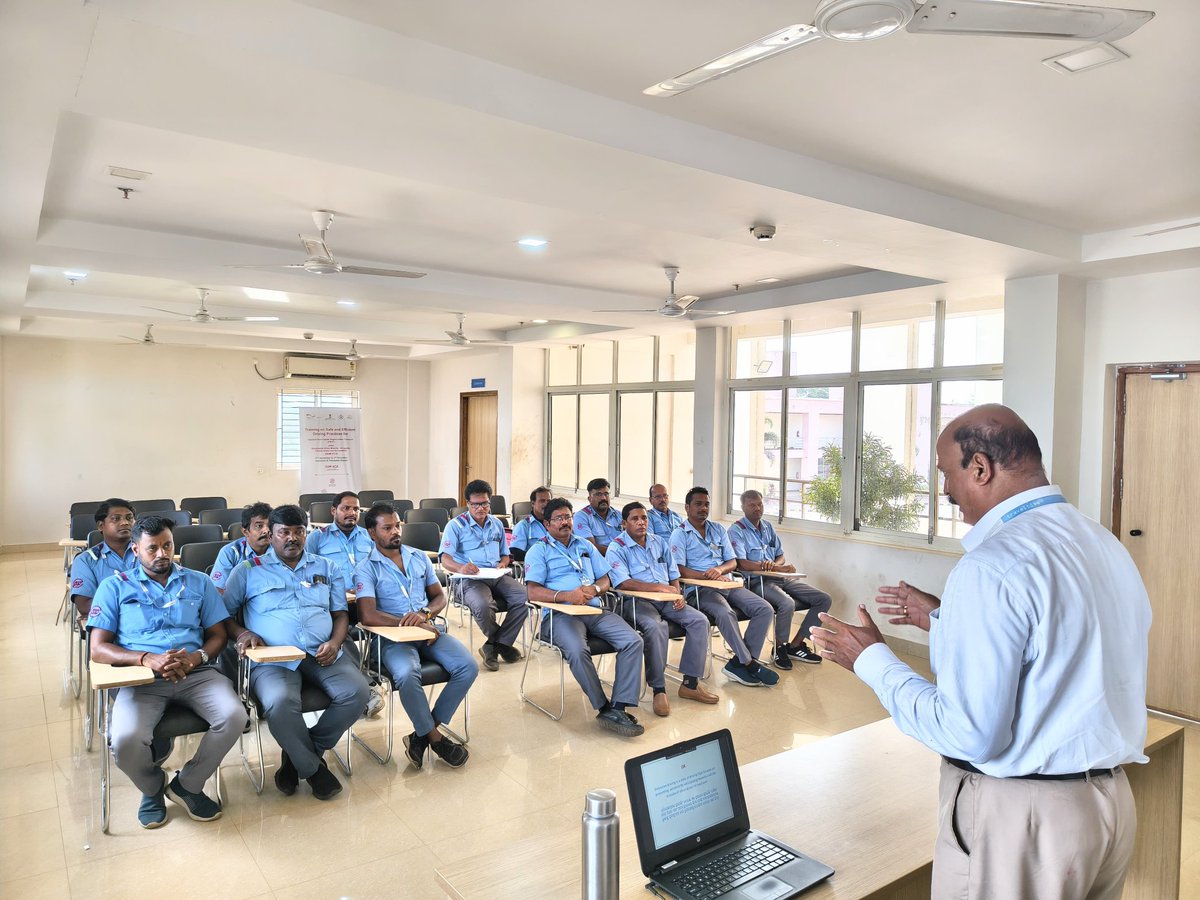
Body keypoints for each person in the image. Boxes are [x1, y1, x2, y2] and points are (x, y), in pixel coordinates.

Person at [810, 404, 1151, 900]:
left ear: (980, 468)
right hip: (1107, 807)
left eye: (946, 474)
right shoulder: (1100, 542)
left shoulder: (992, 564)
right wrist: (947, 619)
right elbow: (1062, 642)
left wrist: (873, 661)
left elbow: (970, 734)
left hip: (1027, 822)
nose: (945, 491)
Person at [87, 515, 247, 828]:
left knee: (235, 716)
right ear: (135, 550)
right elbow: (98, 648)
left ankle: (187, 784)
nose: (162, 554)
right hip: (142, 679)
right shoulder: (114, 586)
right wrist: (146, 658)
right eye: (152, 549)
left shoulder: (198, 582)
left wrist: (196, 657)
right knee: (123, 739)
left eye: (167, 545)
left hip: (196, 674)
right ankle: (152, 787)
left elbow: (218, 634)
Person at [222, 504, 371, 801]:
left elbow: (341, 613)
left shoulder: (326, 567)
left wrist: (337, 641)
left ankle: (297, 756)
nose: (292, 538)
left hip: (322, 652)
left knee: (358, 692)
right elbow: (223, 617)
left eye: (298, 531)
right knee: (279, 702)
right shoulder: (248, 571)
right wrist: (243, 633)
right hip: (273, 659)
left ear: (307, 532)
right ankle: (314, 770)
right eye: (284, 532)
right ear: (271, 534)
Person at [356, 503, 476, 769]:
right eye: (387, 528)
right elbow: (368, 615)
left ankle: (420, 733)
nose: (395, 531)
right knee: (408, 675)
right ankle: (434, 737)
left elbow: (439, 597)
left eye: (397, 525)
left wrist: (424, 615)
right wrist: (409, 623)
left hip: (428, 632)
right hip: (391, 638)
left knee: (468, 667)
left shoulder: (418, 556)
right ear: (372, 534)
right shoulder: (366, 567)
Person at [524, 498, 646, 737]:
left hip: (593, 610)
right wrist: (565, 595)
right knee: (578, 650)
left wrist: (597, 589)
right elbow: (532, 591)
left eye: (568, 517)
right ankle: (603, 707)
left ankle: (620, 706)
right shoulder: (538, 550)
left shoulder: (585, 545)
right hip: (561, 615)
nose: (565, 522)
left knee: (634, 641)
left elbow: (606, 578)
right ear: (547, 524)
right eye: (559, 518)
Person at [606, 502, 718, 715]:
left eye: (644, 518)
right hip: (635, 602)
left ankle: (690, 684)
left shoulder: (659, 542)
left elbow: (673, 574)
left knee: (699, 621)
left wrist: (677, 593)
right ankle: (659, 689)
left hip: (667, 599)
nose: (641, 522)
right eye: (635, 519)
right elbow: (623, 583)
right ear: (624, 523)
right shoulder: (616, 547)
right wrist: (658, 587)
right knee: (657, 627)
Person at [668, 487, 779, 688]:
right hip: (700, 590)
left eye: (707, 504)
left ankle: (739, 664)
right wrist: (706, 575)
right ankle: (749, 663)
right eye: (698, 504)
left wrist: (719, 570)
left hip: (726, 583)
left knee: (765, 608)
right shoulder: (679, 534)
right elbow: (678, 569)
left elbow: (732, 562)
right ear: (687, 507)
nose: (703, 508)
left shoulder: (718, 529)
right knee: (726, 612)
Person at [730, 490, 828, 667]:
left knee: (823, 599)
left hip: (779, 577)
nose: (757, 508)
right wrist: (775, 566)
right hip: (756, 582)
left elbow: (780, 555)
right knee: (787, 603)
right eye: (752, 505)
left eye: (760, 504)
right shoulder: (737, 530)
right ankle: (780, 648)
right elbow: (741, 564)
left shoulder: (767, 526)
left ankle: (796, 644)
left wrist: (777, 565)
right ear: (742, 507)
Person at [439, 479, 528, 672]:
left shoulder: (496, 524)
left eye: (485, 503)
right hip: (469, 579)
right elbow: (445, 559)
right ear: (468, 504)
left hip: (496, 575)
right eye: (476, 504)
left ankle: (493, 646)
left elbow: (505, 553)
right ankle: (501, 644)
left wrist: (504, 562)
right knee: (483, 605)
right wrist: (461, 568)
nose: (481, 508)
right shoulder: (455, 526)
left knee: (526, 597)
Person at [69, 498, 138, 618]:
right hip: (110, 625)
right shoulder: (86, 560)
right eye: (116, 519)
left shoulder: (148, 553)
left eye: (129, 518)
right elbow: (84, 606)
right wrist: (132, 609)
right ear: (101, 526)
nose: (125, 523)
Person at [304, 490, 373, 583]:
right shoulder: (316, 538)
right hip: (332, 595)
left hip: (366, 594)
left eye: (356, 509)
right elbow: (307, 573)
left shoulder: (369, 535)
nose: (352, 513)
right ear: (333, 511)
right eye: (346, 508)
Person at [209, 501, 271, 591]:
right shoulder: (230, 552)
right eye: (259, 526)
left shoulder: (280, 549)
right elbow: (218, 590)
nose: (266, 530)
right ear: (245, 531)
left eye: (270, 526)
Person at [572, 478, 622, 554]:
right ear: (589, 498)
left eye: (606, 494)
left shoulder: (619, 515)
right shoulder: (581, 516)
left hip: (623, 559)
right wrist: (617, 554)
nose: (603, 498)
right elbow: (589, 546)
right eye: (598, 494)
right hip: (599, 560)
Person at [508, 486, 552, 562]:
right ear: (533, 503)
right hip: (536, 565)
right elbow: (516, 553)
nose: (546, 504)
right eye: (542, 501)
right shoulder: (523, 526)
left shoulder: (556, 524)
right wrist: (540, 558)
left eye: (548, 501)